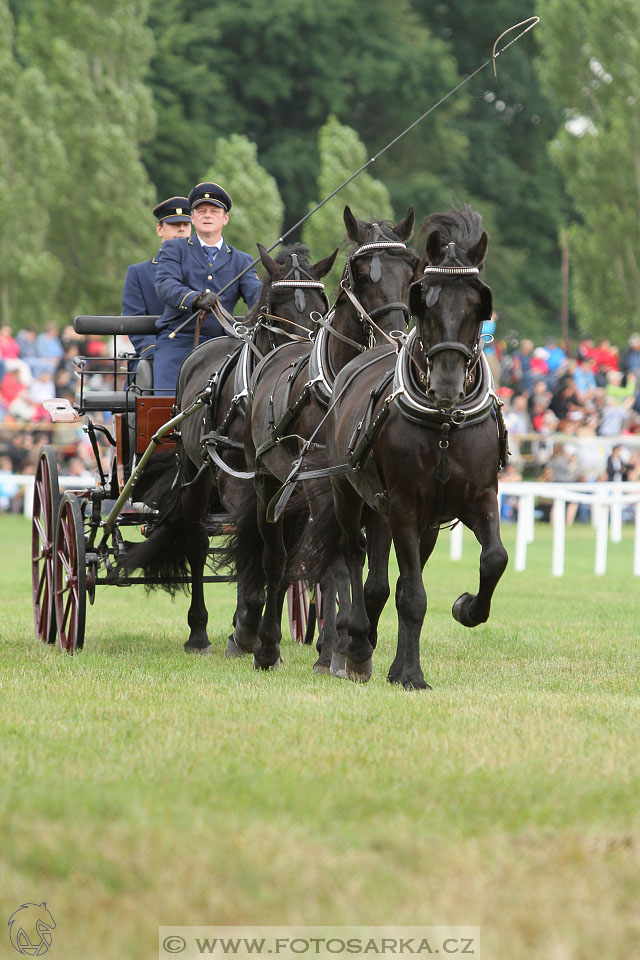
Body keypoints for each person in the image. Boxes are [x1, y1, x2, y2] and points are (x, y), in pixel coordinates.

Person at [153, 181, 262, 393]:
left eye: (214, 211)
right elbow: (166, 284)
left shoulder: (242, 260)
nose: (207, 215)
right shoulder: (175, 249)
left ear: (225, 218)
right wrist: (194, 298)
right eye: (201, 211)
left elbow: (256, 296)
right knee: (165, 400)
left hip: (224, 343)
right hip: (179, 340)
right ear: (192, 218)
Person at [121, 196, 192, 359]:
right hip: (157, 355)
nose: (181, 229)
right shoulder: (138, 273)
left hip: (199, 356)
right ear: (160, 229)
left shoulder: (204, 269)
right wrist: (153, 351)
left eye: (186, 225)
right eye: (174, 225)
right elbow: (134, 319)